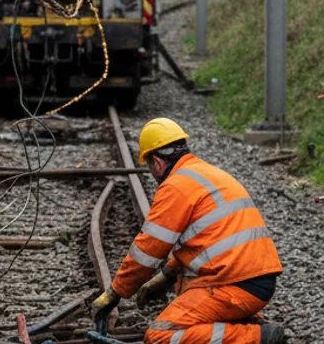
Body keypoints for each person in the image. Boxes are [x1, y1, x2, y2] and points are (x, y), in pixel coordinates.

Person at [91, 118, 286, 344]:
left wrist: (114, 294)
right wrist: (165, 277)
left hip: (234, 284)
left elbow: (147, 251)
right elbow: (205, 243)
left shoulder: (175, 187)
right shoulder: (207, 174)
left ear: (158, 162)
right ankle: (244, 325)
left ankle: (256, 338)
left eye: (150, 167)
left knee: (160, 336)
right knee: (184, 290)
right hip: (255, 278)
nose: (153, 175)